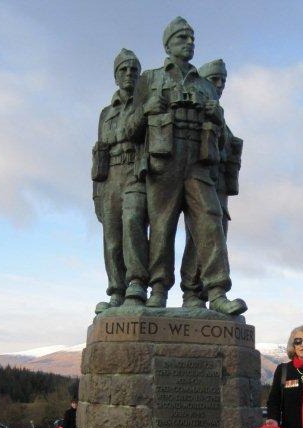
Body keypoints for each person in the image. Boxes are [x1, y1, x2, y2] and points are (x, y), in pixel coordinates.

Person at [126, 17, 246, 315]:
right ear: (167, 44)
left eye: (192, 38)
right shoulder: (150, 79)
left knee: (210, 221)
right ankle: (158, 289)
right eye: (182, 37)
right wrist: (145, 111)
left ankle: (215, 291)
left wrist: (214, 115)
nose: (189, 42)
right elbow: (130, 130)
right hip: (163, 161)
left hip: (198, 162)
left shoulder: (205, 85)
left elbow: (221, 133)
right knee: (162, 227)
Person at [180, 58, 243, 307]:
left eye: (223, 81)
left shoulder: (221, 119)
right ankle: (193, 291)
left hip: (219, 190)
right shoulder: (196, 113)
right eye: (214, 79)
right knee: (200, 235)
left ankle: (198, 294)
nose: (219, 85)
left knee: (209, 237)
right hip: (194, 180)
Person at [92, 48, 149, 313]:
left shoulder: (145, 104)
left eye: (133, 70)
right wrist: (97, 194)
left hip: (135, 172)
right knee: (112, 237)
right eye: (123, 70)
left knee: (132, 221)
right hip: (110, 178)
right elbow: (99, 153)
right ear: (116, 76)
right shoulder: (106, 113)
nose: (129, 74)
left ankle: (137, 283)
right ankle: (116, 292)